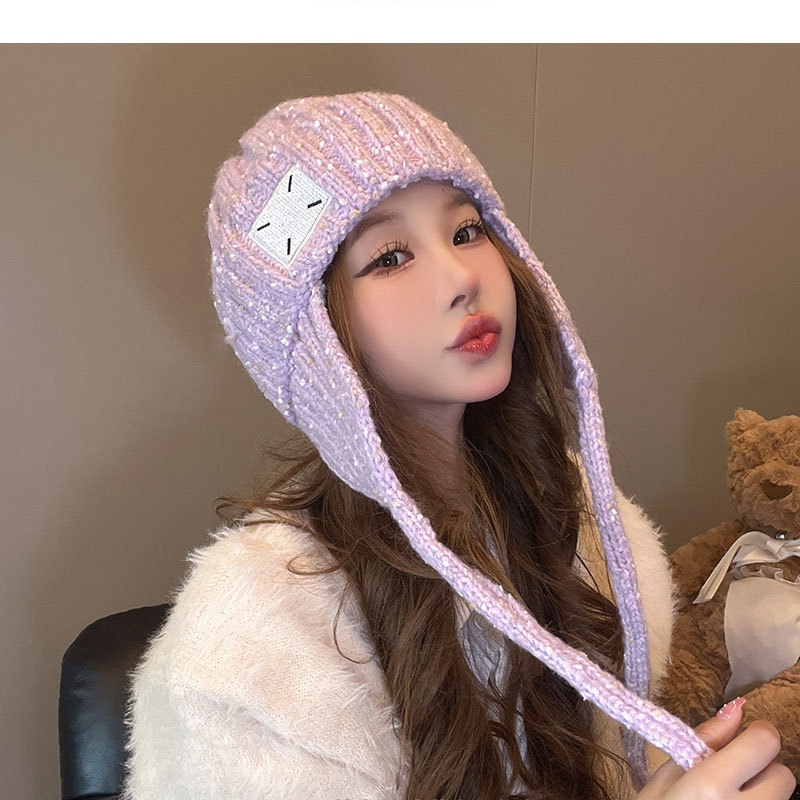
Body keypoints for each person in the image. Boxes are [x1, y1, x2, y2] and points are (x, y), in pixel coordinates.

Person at [120, 91, 796, 800]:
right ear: (311, 337)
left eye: (467, 230)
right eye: (390, 257)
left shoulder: (584, 522)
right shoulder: (253, 640)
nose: (462, 278)